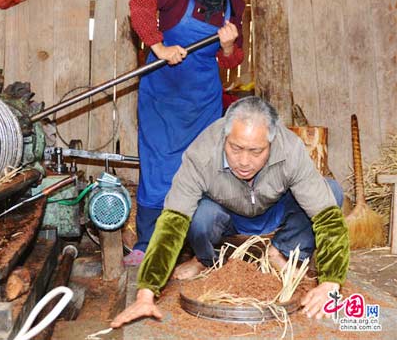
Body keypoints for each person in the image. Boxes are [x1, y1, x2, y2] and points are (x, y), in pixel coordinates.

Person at [112, 96, 349, 327]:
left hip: (274, 211)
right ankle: (205, 260)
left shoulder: (291, 149)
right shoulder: (201, 153)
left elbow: (328, 219)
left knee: (331, 191)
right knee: (199, 216)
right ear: (225, 136)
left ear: (272, 142)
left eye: (256, 152)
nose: (244, 161)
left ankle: (281, 252)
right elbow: (172, 223)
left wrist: (331, 283)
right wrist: (146, 293)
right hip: (225, 215)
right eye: (235, 148)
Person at [124, 0, 246, 267]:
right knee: (157, 167)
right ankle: (147, 242)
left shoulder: (235, 5)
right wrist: (159, 45)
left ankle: (191, 243)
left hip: (202, 100)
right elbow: (139, 3)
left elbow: (234, 59)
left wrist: (230, 45)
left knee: (197, 167)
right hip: (162, 95)